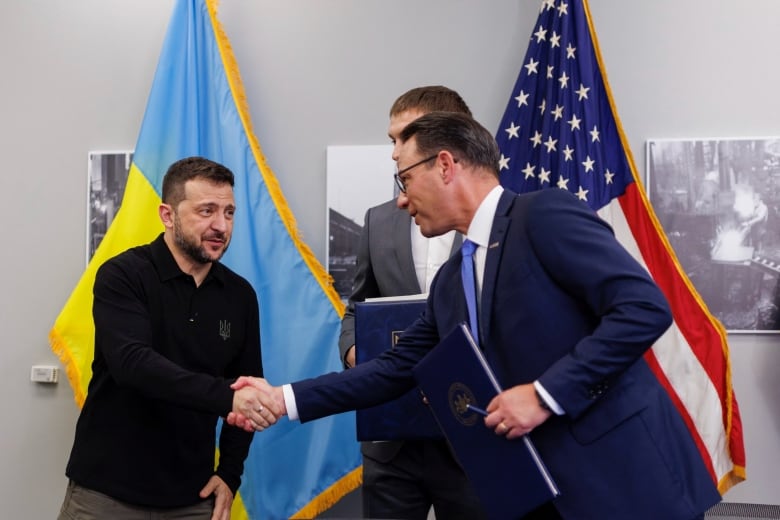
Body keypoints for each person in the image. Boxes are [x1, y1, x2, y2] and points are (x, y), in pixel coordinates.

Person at [231, 114, 722, 519]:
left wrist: (545, 395)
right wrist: (282, 398)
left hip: (625, 485)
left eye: (403, 179)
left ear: (445, 165)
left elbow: (643, 308)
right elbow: (391, 370)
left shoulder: (542, 216)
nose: (401, 200)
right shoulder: (449, 284)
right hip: (537, 494)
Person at [59, 157, 276, 520]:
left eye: (229, 212)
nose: (221, 225)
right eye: (206, 210)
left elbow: (246, 385)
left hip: (192, 499)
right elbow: (134, 366)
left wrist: (229, 473)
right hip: (106, 494)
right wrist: (227, 397)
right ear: (167, 215)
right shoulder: (122, 276)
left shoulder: (240, 295)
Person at [338, 86, 483, 519]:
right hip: (392, 445)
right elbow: (356, 309)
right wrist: (356, 352)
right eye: (391, 140)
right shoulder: (378, 220)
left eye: (402, 138)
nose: (394, 152)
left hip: (474, 439)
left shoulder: (499, 221)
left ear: (445, 143)